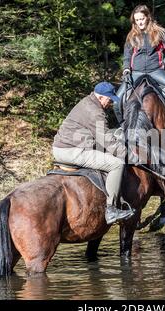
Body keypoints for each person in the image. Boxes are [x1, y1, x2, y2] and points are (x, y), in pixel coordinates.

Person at [52, 82, 137, 225]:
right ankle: (111, 210)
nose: (110, 103)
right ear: (101, 97)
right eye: (109, 100)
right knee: (116, 164)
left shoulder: (88, 102)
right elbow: (105, 139)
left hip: (64, 147)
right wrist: (128, 155)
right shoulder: (95, 111)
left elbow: (101, 136)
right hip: (71, 151)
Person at [114, 4, 165, 124]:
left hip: (156, 70)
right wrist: (126, 70)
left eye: (142, 19)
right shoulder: (131, 36)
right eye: (137, 20)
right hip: (136, 72)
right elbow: (127, 56)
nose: (140, 22)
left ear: (148, 17)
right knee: (116, 102)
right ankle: (122, 128)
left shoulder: (160, 32)